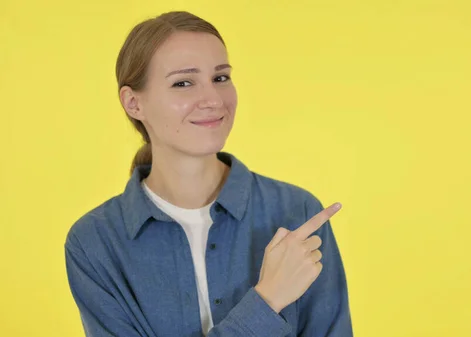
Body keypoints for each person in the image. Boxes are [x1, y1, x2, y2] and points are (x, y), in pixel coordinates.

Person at [64, 10, 352, 337]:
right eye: (183, 82)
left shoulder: (297, 212)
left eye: (220, 77)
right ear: (133, 103)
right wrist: (267, 300)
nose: (214, 99)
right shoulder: (95, 243)